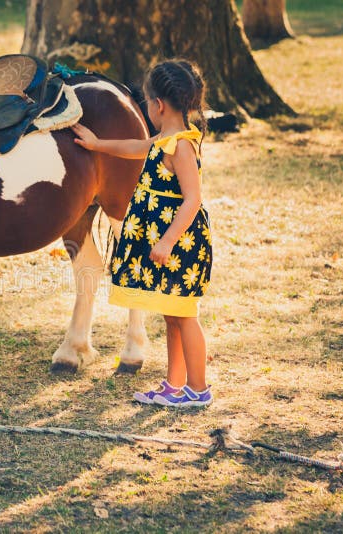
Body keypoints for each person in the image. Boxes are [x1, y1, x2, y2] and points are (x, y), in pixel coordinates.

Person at [72, 60, 212, 407]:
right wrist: (97, 144)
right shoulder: (164, 139)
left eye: (147, 102)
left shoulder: (180, 145)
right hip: (168, 243)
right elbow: (136, 147)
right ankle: (174, 383)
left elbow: (193, 199)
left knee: (185, 316)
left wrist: (166, 241)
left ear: (158, 105)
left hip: (180, 245)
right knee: (171, 315)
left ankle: (198, 389)